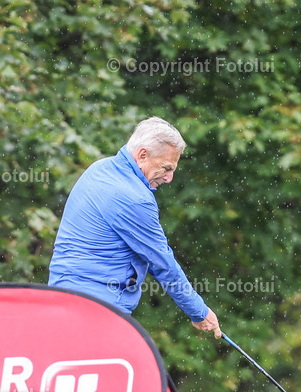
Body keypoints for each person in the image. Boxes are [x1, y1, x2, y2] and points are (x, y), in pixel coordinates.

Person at [48, 117, 222, 338]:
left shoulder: (100, 168)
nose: (169, 178)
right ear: (142, 155)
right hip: (96, 312)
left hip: (61, 299)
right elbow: (162, 263)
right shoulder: (134, 199)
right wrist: (199, 311)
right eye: (166, 168)